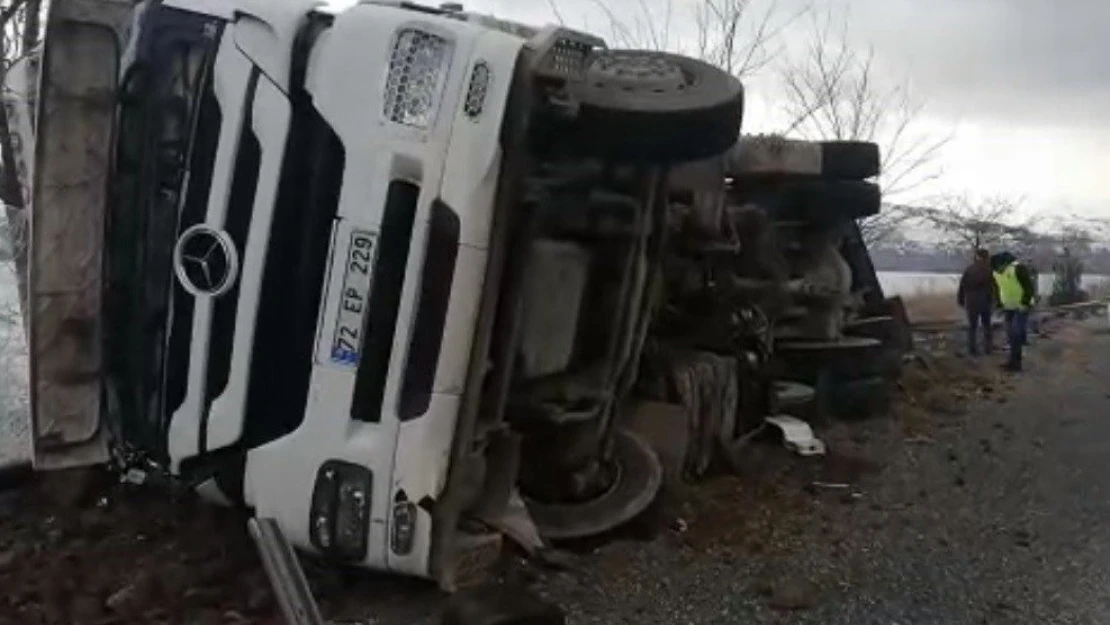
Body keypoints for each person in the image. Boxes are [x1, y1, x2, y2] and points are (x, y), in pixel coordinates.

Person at [990, 251, 1036, 371]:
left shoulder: (1018, 268)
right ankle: (1013, 360)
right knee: (1010, 334)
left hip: (1022, 306)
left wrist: (1025, 303)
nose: (998, 270)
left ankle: (1016, 363)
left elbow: (1029, 287)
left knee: (1016, 332)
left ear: (1004, 264)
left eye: (999, 267)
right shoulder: (995, 272)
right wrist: (999, 303)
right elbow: (998, 288)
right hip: (1008, 306)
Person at [956, 248, 998, 356]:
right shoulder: (990, 270)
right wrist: (995, 301)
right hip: (985, 301)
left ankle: (972, 349)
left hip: (971, 301)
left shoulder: (969, 269)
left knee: (972, 326)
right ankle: (988, 348)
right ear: (986, 257)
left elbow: (962, 286)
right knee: (987, 325)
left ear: (977, 256)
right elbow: (995, 287)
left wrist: (960, 300)